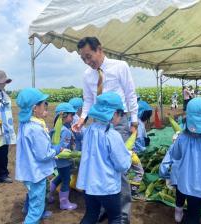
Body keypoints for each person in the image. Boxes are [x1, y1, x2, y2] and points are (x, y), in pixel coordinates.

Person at [73, 36, 138, 224]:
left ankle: (122, 214)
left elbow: (130, 94)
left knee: (120, 169)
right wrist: (83, 120)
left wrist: (134, 120)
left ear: (99, 49)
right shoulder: (87, 75)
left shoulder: (120, 66)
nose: (87, 61)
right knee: (99, 165)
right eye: (83, 59)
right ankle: (105, 209)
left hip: (118, 121)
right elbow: (88, 100)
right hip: (97, 122)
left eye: (89, 56)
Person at [77, 92, 132, 224]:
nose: (122, 117)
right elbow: (122, 164)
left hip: (89, 185)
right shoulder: (112, 135)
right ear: (114, 114)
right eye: (121, 114)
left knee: (91, 215)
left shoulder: (89, 130)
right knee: (115, 218)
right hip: (107, 187)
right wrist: (129, 156)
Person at [16, 88, 61, 223]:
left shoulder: (25, 123)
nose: (45, 106)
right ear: (35, 108)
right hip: (36, 173)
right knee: (36, 206)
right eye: (44, 104)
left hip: (28, 170)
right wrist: (56, 150)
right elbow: (43, 155)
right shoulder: (35, 128)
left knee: (33, 196)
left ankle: (29, 209)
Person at [49, 103, 78, 210]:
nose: (73, 117)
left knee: (59, 177)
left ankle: (48, 195)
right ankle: (64, 203)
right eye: (71, 115)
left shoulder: (57, 128)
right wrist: (74, 154)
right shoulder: (65, 131)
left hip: (56, 160)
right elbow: (63, 148)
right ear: (64, 116)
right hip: (64, 161)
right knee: (66, 180)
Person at [159, 132, 186, 223]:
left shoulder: (173, 146)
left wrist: (166, 176)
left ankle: (178, 217)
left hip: (177, 178)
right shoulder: (192, 146)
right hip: (192, 179)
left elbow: (164, 165)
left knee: (179, 197)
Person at [129, 100, 151, 199]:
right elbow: (137, 140)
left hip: (130, 152)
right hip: (133, 153)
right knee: (139, 171)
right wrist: (143, 149)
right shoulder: (136, 124)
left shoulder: (137, 121)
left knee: (126, 171)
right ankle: (133, 191)